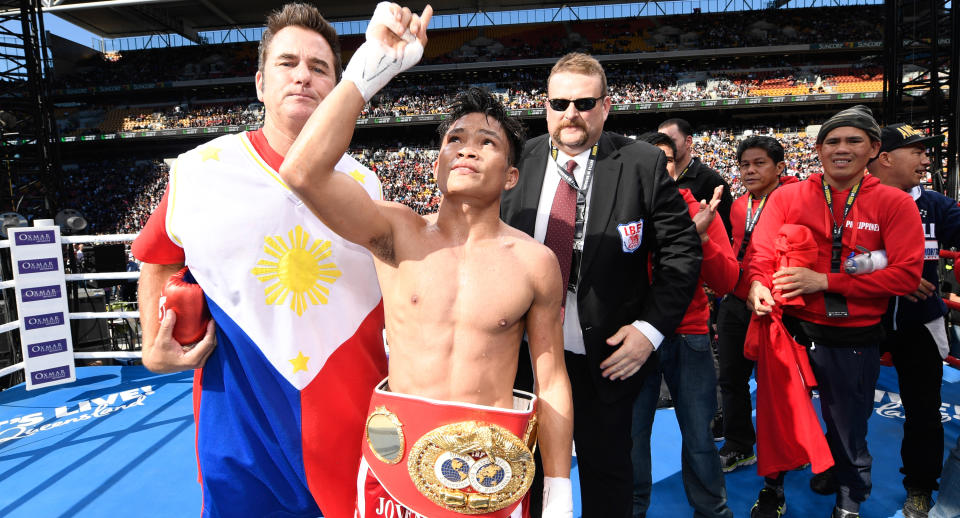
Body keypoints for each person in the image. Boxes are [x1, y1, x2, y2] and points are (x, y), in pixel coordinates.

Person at [277, 9, 574, 517]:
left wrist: (558, 488)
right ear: (435, 162)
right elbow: (302, 172)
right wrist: (371, 67)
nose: (466, 150)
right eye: (453, 139)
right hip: (396, 460)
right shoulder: (397, 233)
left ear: (510, 177)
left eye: (487, 142)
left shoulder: (534, 262)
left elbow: (550, 381)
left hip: (492, 464)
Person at [131, 4, 393, 517]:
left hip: (350, 419)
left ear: (338, 86)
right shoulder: (200, 171)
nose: (303, 76)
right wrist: (150, 342)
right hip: (239, 422)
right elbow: (157, 258)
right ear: (259, 81)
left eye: (320, 68)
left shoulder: (365, 184)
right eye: (287, 63)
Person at [501, 52, 703, 518]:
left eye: (584, 102)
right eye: (560, 102)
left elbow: (681, 252)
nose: (571, 113)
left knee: (609, 476)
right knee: (521, 474)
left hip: (609, 357)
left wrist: (649, 331)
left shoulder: (641, 162)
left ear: (606, 107)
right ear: (545, 106)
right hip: (525, 358)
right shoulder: (515, 162)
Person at [746, 105, 924, 518]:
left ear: (874, 149)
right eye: (832, 141)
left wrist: (825, 281)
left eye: (853, 140)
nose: (841, 149)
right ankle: (773, 488)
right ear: (818, 148)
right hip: (790, 331)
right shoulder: (788, 197)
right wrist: (757, 283)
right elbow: (759, 255)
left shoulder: (895, 204)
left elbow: (906, 277)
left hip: (854, 337)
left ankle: (849, 501)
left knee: (848, 428)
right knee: (779, 418)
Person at [631, 132, 737, 518]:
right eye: (650, 162)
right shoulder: (620, 212)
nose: (659, 170)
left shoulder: (700, 209)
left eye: (667, 163)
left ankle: (712, 511)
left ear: (678, 168)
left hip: (688, 336)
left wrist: (702, 236)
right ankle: (633, 509)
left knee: (699, 438)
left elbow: (726, 281)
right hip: (635, 340)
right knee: (631, 437)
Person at [866, 123, 959, 518]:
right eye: (917, 151)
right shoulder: (852, 201)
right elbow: (836, 261)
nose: (926, 160)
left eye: (927, 151)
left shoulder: (938, 205)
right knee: (845, 406)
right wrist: (898, 273)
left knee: (924, 411)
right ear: (885, 158)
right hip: (862, 319)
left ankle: (919, 487)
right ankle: (836, 472)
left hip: (921, 323)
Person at [715, 136, 798, 473]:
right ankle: (739, 444)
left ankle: (786, 447)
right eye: (744, 165)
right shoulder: (739, 206)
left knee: (777, 384)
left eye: (758, 163)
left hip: (777, 307)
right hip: (735, 302)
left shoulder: (796, 199)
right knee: (732, 379)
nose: (750, 171)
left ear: (779, 167)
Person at [658, 118, 734, 235]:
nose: (665, 148)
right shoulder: (658, 176)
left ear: (688, 141)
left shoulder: (711, 180)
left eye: (671, 141)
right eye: (661, 143)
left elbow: (725, 230)